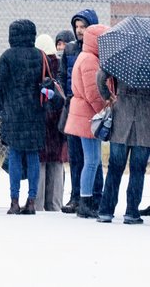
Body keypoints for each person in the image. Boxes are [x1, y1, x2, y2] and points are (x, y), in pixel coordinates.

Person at [0, 19, 46, 215]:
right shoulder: (39, 56)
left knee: (15, 154)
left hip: (13, 112)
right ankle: (32, 201)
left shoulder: (7, 56)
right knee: (33, 155)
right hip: (35, 113)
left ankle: (14, 201)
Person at [65, 21, 110, 218]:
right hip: (88, 116)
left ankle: (86, 199)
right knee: (91, 160)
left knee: (91, 160)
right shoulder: (91, 61)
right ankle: (85, 202)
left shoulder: (85, 56)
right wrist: (105, 110)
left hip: (82, 113)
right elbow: (93, 93)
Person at [97, 67, 149, 224]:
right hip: (145, 120)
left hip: (121, 117)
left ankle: (106, 210)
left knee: (115, 167)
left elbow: (100, 77)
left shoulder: (122, 59)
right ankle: (132, 212)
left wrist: (108, 96)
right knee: (138, 169)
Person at [36, 34, 68, 212]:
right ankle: (55, 204)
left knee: (40, 162)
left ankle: (39, 203)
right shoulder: (60, 66)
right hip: (58, 122)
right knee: (56, 163)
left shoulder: (39, 66)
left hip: (42, 121)